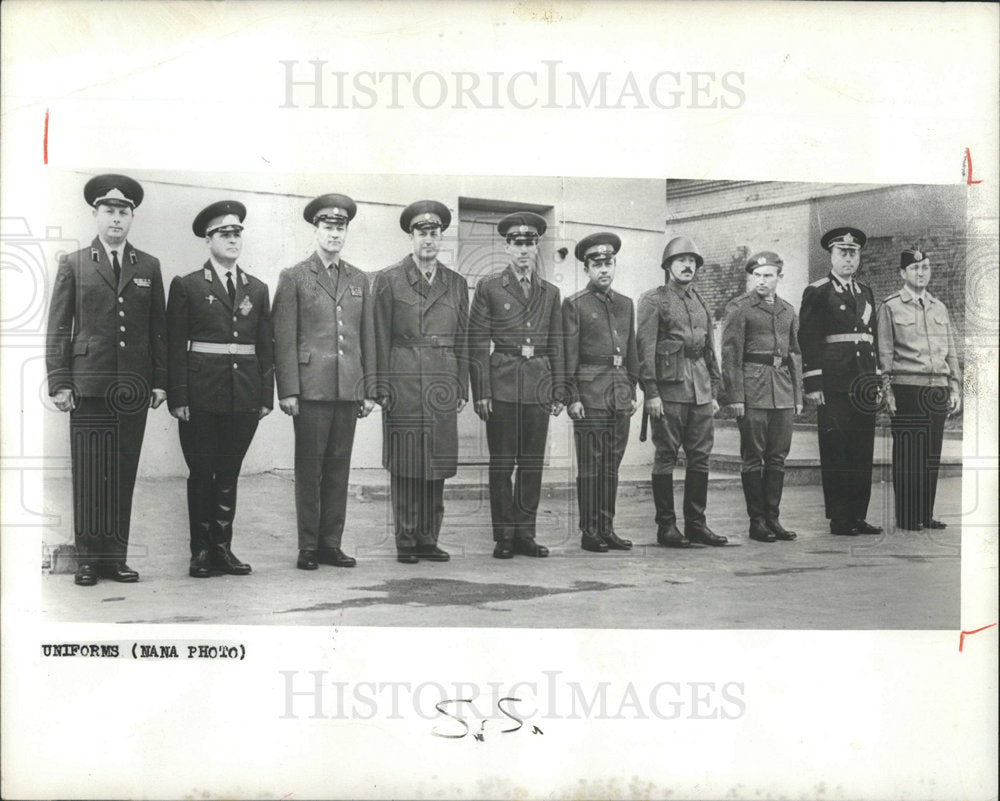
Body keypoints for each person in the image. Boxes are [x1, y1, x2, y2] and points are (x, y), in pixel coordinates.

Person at [46, 173, 167, 586]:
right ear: (96, 215)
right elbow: (59, 327)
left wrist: (160, 381)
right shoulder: (75, 263)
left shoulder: (148, 265)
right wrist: (60, 382)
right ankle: (87, 559)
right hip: (88, 385)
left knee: (122, 471)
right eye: (109, 211)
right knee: (89, 472)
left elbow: (158, 330)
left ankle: (115, 558)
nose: (116, 219)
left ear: (132, 217)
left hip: (133, 386)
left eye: (123, 212)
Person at [166, 201, 274, 577]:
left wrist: (265, 396)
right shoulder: (188, 286)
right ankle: (200, 552)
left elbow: (266, 345)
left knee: (229, 471)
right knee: (201, 471)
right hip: (200, 394)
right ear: (207, 240)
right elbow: (174, 343)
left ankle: (223, 549)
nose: (232, 239)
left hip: (243, 393)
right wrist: (178, 396)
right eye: (224, 234)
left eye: (236, 233)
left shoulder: (256, 289)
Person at [272, 193, 376, 571]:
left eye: (340, 227)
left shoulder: (359, 279)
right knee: (310, 469)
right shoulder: (295, 276)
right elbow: (283, 337)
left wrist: (368, 388)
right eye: (328, 226)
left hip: (348, 388)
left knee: (338, 468)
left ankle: (332, 543)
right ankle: (308, 546)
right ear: (316, 229)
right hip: (312, 389)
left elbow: (367, 337)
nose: (334, 233)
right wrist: (289, 389)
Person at [373, 200, 469, 564]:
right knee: (406, 460)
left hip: (443, 377)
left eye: (435, 233)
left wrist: (462, 385)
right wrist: (380, 386)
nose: (429, 239)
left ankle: (429, 538)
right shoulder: (388, 279)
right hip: (404, 376)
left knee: (437, 460)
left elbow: (464, 339)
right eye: (422, 232)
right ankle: (406, 538)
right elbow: (379, 334)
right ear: (411, 236)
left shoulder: (456, 283)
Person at [469, 211, 564, 559]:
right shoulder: (490, 287)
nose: (524, 250)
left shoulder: (550, 293)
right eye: (517, 243)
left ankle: (526, 533)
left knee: (532, 464)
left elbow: (558, 344)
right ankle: (504, 535)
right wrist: (481, 391)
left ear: (537, 247)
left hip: (538, 384)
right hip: (503, 383)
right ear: (507, 247)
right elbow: (477, 342)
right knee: (502, 464)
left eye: (530, 243)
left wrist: (559, 389)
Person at [637, 236, 726, 548]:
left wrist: (714, 390)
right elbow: (645, 350)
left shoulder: (699, 302)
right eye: (681, 260)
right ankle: (666, 527)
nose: (688, 266)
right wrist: (651, 393)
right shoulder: (654, 301)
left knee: (700, 458)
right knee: (666, 456)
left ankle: (696, 524)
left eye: (692, 261)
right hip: (669, 391)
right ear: (668, 266)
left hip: (700, 392)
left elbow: (710, 351)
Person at [799, 227, 883, 536]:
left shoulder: (865, 292)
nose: (849, 258)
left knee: (861, 450)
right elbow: (808, 337)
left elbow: (870, 339)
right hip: (833, 384)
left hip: (863, 382)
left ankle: (858, 515)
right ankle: (840, 517)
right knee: (837, 449)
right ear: (832, 256)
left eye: (853, 253)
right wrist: (813, 383)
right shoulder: (818, 291)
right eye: (843, 253)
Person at [563, 233, 640, 553]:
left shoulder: (626, 304)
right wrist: (572, 396)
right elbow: (568, 353)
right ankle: (589, 530)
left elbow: (632, 349)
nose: (604, 270)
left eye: (608, 263)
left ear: (614, 265)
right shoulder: (575, 304)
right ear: (586, 269)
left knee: (612, 464)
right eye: (597, 265)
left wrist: (632, 388)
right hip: (590, 393)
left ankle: (607, 527)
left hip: (619, 393)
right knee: (591, 465)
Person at [877, 246, 962, 531]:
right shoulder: (890, 306)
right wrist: (887, 389)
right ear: (903, 273)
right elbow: (884, 352)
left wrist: (955, 386)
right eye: (915, 268)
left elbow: (951, 351)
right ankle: (908, 516)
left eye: (925, 267)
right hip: (907, 387)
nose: (921, 273)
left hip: (937, 388)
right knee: (908, 455)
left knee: (931, 455)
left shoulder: (940, 307)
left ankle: (925, 513)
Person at [721, 251, 803, 543]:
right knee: (753, 456)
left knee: (778, 457)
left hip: (781, 389)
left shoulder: (787, 310)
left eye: (768, 275)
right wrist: (736, 396)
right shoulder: (740, 308)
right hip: (753, 389)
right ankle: (757, 522)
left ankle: (773, 518)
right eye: (756, 275)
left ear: (779, 277)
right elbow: (731, 355)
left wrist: (797, 393)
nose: (761, 281)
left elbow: (794, 353)